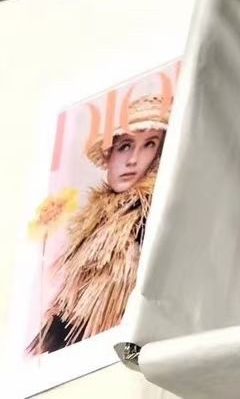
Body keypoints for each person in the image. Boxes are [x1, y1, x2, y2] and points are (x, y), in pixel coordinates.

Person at [29, 95, 169, 354]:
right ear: (110, 154)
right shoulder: (93, 223)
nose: (132, 159)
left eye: (149, 145)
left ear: (160, 156)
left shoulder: (154, 215)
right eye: (125, 146)